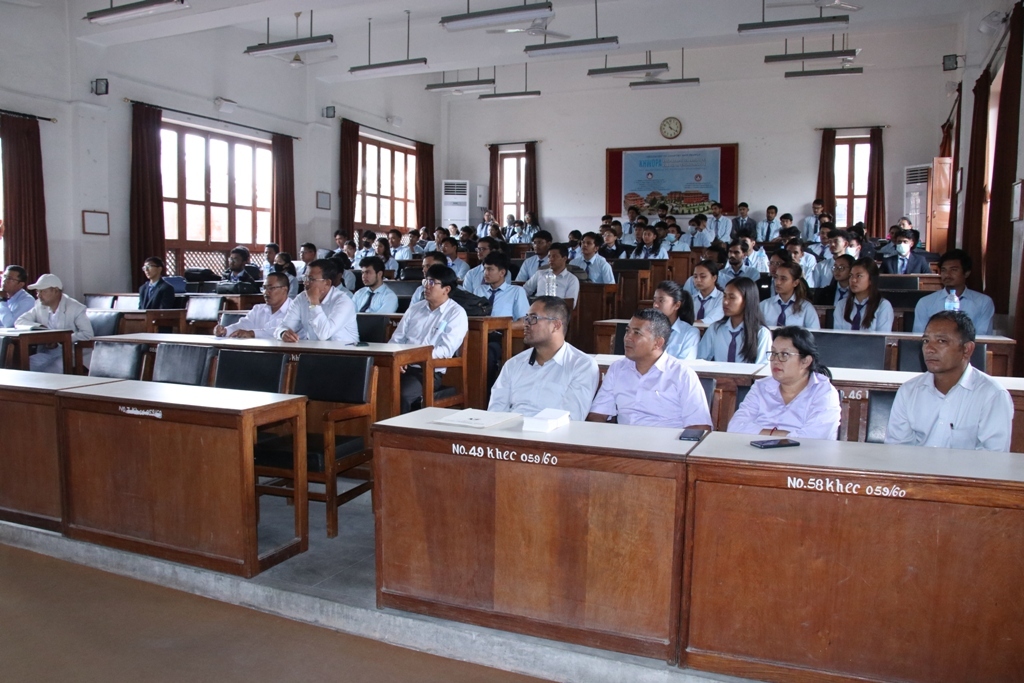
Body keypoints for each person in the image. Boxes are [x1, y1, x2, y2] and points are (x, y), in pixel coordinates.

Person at [886, 311, 1012, 452]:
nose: (929, 349)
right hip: (916, 466)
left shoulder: (993, 395)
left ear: (967, 349)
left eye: (941, 341)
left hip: (966, 467)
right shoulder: (909, 391)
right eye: (926, 341)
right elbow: (897, 450)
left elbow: (993, 457)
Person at [587, 309, 712, 429]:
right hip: (623, 440)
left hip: (666, 442)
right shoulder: (617, 368)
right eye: (627, 331)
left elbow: (699, 426)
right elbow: (598, 413)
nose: (627, 338)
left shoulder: (682, 375)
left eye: (637, 333)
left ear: (658, 343)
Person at [488, 297, 598, 421]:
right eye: (526, 318)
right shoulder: (514, 364)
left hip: (552, 432)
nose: (525, 324)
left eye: (533, 318)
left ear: (556, 325)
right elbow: (495, 412)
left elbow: (571, 418)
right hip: (509, 430)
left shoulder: (582, 365)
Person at [727, 326, 841, 440]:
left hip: (803, 452)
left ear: (805, 361)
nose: (775, 360)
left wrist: (761, 433)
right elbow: (734, 427)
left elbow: (814, 438)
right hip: (756, 449)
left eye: (784, 354)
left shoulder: (824, 393)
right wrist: (784, 435)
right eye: (773, 353)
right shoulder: (761, 387)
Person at [389, 264, 469, 413]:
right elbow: (396, 340)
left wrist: (410, 357)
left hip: (428, 371)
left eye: (432, 282)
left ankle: (401, 428)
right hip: (401, 366)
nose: (426, 286)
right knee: (373, 386)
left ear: (446, 289)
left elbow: (445, 350)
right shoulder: (415, 309)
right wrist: (397, 359)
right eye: (425, 281)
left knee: (400, 394)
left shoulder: (456, 313)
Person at [15, 274, 93, 373]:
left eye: (43, 291)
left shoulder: (75, 308)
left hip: (72, 353)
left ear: (56, 291)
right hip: (49, 352)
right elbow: (19, 321)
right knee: (25, 366)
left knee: (50, 370)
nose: (39, 295)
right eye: (37, 292)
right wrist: (40, 327)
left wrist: (59, 339)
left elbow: (88, 334)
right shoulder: (39, 305)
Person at [275, 259, 358, 343]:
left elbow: (324, 334)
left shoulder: (343, 301)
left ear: (327, 283)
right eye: (305, 278)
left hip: (344, 350)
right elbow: (283, 327)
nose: (305, 283)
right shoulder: (301, 298)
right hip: (314, 349)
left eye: (311, 279)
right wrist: (283, 333)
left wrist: (314, 303)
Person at [912, 249, 994, 335]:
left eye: (953, 270)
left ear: (966, 273)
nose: (947, 275)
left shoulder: (983, 302)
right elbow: (919, 336)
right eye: (944, 270)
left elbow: (983, 337)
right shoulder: (925, 302)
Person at [697, 277, 771, 363]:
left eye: (732, 297)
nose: (725, 302)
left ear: (747, 300)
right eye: (724, 296)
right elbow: (700, 360)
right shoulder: (715, 329)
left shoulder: (761, 333)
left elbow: (762, 366)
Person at [215, 272, 292, 339]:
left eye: (271, 288)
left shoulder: (294, 310)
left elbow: (281, 331)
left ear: (284, 289)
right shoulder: (258, 309)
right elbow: (243, 324)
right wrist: (225, 331)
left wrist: (252, 334)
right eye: (264, 288)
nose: (266, 292)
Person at [832, 258, 893, 332]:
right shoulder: (841, 305)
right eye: (851, 275)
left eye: (859, 276)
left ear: (871, 279)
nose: (853, 280)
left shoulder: (883, 306)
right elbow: (838, 335)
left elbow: (882, 336)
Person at [760, 262, 820, 329]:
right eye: (776, 277)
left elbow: (815, 332)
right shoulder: (764, 306)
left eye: (783, 279)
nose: (777, 282)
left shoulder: (806, 308)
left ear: (795, 283)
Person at [652, 280, 699, 360]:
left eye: (661, 300)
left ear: (677, 305)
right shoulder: (648, 328)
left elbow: (686, 363)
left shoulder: (689, 333)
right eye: (654, 300)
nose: (655, 305)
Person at [687, 260, 725, 325]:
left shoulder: (722, 298)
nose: (698, 280)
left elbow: (712, 319)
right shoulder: (691, 299)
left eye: (703, 276)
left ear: (714, 278)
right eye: (695, 277)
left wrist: (690, 325)